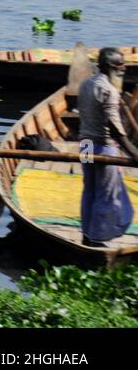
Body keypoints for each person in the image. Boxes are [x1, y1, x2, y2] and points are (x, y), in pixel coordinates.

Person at [77, 47, 138, 246]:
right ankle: (96, 238)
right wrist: (133, 152)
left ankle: (87, 234)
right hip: (103, 147)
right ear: (112, 67)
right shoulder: (109, 90)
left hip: (85, 145)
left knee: (90, 189)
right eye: (121, 64)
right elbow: (114, 129)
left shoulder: (86, 84)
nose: (124, 68)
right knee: (106, 193)